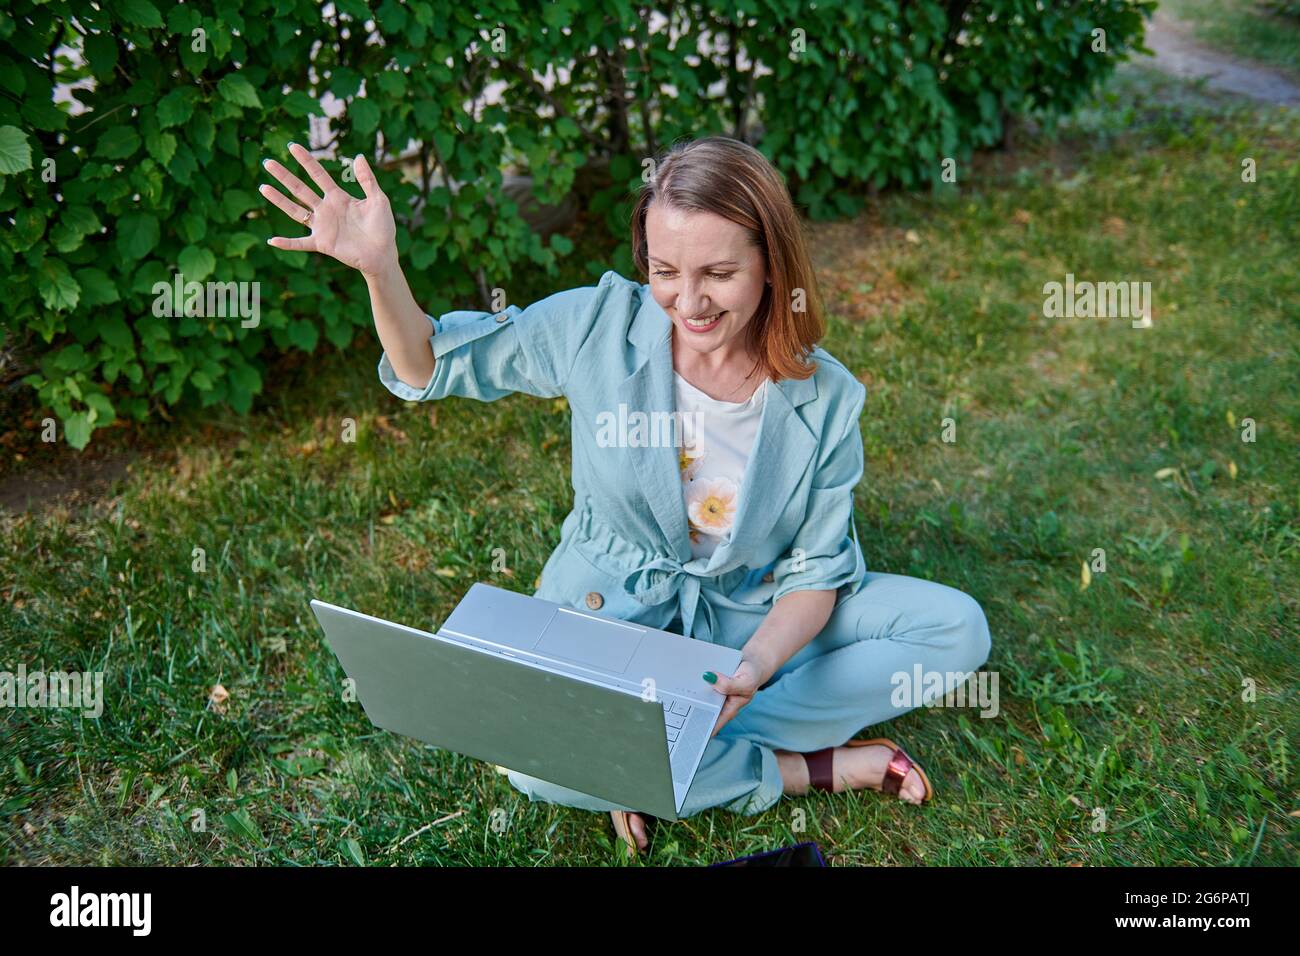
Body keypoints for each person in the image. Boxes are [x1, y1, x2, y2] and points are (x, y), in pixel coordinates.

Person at [258, 135, 992, 858]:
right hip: (608, 622)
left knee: (955, 628)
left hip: (747, 620)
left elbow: (816, 571)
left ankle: (644, 756)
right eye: (666, 271)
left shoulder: (824, 395)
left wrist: (756, 667)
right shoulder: (595, 327)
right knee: (526, 764)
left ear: (772, 264)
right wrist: (380, 269)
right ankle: (800, 768)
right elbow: (427, 365)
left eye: (719, 273)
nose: (689, 301)